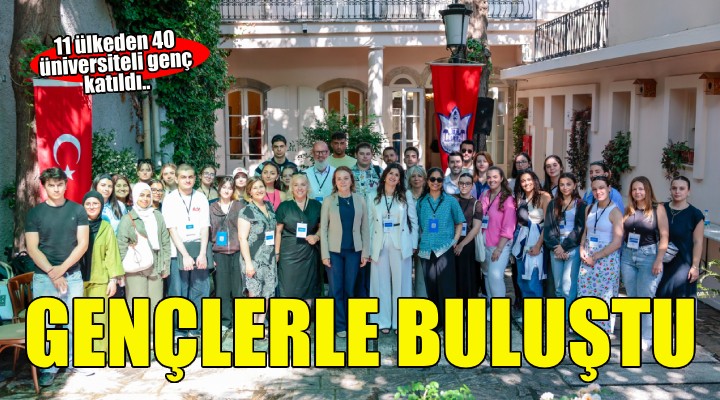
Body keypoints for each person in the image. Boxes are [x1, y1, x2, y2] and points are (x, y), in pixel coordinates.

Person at [25, 167, 91, 386]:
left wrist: (61, 269)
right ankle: (48, 367)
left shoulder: (78, 210)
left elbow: (82, 244)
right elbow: (32, 248)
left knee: (73, 321)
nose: (56, 189)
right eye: (51, 185)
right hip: (44, 278)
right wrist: (53, 273)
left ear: (66, 185)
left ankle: (74, 362)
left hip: (71, 276)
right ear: (44, 187)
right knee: (48, 323)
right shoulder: (35, 214)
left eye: (60, 184)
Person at [319, 167, 370, 337]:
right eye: (339, 178)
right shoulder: (329, 201)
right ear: (334, 182)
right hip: (334, 252)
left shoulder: (360, 200)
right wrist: (324, 254)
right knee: (336, 289)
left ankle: (351, 322)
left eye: (346, 178)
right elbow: (323, 229)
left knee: (350, 288)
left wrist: (365, 253)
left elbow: (365, 228)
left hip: (354, 252)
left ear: (351, 180)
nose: (342, 181)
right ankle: (339, 325)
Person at [162, 164, 211, 337]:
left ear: (195, 178)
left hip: (199, 247)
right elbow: (172, 229)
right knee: (178, 290)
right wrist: (185, 255)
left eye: (190, 177)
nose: (187, 180)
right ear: (176, 179)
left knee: (200, 289)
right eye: (183, 177)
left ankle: (196, 328)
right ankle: (179, 329)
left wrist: (203, 253)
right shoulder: (170, 199)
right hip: (178, 250)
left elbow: (205, 227)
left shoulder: (201, 198)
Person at [620, 176, 668, 351]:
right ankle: (635, 331)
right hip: (628, 256)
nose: (637, 192)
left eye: (640, 189)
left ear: (647, 190)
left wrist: (659, 260)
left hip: (649, 256)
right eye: (634, 189)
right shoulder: (629, 209)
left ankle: (647, 336)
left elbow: (664, 235)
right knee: (632, 297)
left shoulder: (657, 208)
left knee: (645, 297)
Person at [369, 164, 418, 333]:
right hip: (380, 241)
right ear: (384, 176)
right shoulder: (373, 196)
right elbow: (369, 223)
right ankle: (382, 321)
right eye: (390, 173)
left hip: (400, 241)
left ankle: (400, 321)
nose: (393, 177)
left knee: (402, 284)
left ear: (399, 179)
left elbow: (413, 220)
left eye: (397, 175)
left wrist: (413, 244)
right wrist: (369, 248)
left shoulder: (406, 195)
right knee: (379, 283)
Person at [117, 183, 171, 336]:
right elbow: (121, 246)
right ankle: (138, 338)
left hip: (156, 266)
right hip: (136, 267)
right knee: (137, 304)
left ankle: (154, 338)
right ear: (135, 196)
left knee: (156, 304)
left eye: (148, 195)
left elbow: (165, 241)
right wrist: (119, 272)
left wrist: (166, 265)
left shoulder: (157, 215)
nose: (145, 199)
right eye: (141, 195)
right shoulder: (128, 219)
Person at [416, 167, 465, 330]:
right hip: (426, 249)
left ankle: (449, 321)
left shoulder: (450, 201)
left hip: (445, 249)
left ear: (443, 182)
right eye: (432, 179)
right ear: (427, 181)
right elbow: (418, 224)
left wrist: (455, 241)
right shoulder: (421, 202)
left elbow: (459, 222)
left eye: (439, 179)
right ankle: (434, 320)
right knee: (431, 286)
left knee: (447, 286)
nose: (435, 182)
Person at [79, 191, 124, 360]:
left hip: (99, 278)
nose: (91, 207)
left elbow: (111, 254)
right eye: (88, 204)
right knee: (81, 317)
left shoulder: (106, 227)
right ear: (83, 206)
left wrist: (113, 279)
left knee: (99, 317)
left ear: (101, 206)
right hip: (77, 278)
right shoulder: (76, 225)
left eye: (95, 204)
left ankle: (99, 353)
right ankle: (83, 351)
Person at [578, 176, 623, 334]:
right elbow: (586, 232)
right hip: (588, 256)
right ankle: (586, 328)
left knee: (604, 296)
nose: (598, 192)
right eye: (595, 189)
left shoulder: (615, 212)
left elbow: (617, 242)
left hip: (606, 258)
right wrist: (581, 248)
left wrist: (595, 257)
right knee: (585, 292)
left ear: (609, 188)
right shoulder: (589, 208)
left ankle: (602, 332)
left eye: (602, 188)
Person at [239, 177, 278, 337]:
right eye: (255, 188)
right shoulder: (246, 211)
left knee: (267, 294)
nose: (259, 190)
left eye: (261, 186)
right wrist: (248, 264)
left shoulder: (269, 206)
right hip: (253, 259)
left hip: (269, 259)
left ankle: (260, 325)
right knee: (254, 295)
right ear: (249, 191)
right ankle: (252, 327)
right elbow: (242, 238)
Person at [543, 173, 587, 318]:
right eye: (562, 184)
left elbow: (580, 228)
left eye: (568, 184)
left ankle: (569, 319)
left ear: (574, 185)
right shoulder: (553, 204)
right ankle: (560, 318)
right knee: (558, 287)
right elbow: (548, 228)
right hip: (556, 247)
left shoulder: (581, 205)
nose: (565, 187)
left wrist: (565, 246)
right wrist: (557, 247)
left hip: (572, 248)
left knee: (568, 287)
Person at [275, 173, 322, 305]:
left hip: (309, 253)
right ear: (291, 188)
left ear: (308, 187)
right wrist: (277, 253)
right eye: (296, 185)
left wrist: (316, 236)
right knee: (288, 287)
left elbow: (322, 227)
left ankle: (305, 316)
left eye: (303, 184)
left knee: (308, 288)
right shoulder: (284, 206)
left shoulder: (316, 205)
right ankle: (288, 316)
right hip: (288, 253)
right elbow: (278, 232)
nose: (299, 188)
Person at [656, 176, 705, 299]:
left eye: (682, 188)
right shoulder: (661, 208)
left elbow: (698, 242)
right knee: (660, 302)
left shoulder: (695, 214)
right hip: (661, 263)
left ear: (688, 191)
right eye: (674, 188)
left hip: (683, 266)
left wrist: (695, 266)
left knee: (681, 303)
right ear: (670, 190)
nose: (677, 191)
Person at [209, 176, 246, 333]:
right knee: (222, 288)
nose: (226, 190)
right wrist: (210, 255)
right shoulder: (211, 207)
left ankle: (240, 319)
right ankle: (225, 320)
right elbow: (208, 232)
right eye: (224, 187)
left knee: (238, 288)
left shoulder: (239, 206)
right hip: (219, 252)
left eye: (230, 188)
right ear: (219, 188)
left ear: (233, 190)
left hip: (237, 251)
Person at [512, 170, 551, 300]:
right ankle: (527, 309)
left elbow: (548, 223)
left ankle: (536, 310)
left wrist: (538, 245)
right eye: (523, 181)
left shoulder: (544, 196)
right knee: (521, 279)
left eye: (529, 179)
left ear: (535, 180)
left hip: (536, 239)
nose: (526, 183)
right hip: (521, 240)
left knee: (533, 279)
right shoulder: (520, 198)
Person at [480, 166, 517, 305]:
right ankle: (492, 307)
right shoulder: (484, 195)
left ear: (501, 178)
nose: (491, 180)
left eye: (495, 177)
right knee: (487, 276)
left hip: (500, 245)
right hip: (484, 243)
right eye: (489, 177)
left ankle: (500, 311)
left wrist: (499, 249)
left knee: (495, 277)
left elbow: (508, 226)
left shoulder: (508, 199)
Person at [454, 172, 483, 299]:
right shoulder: (452, 199)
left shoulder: (477, 204)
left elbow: (476, 227)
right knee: (454, 276)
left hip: (467, 244)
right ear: (458, 184)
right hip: (451, 243)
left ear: (472, 186)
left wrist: (461, 245)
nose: (464, 186)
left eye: (467, 183)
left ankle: (469, 305)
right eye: (461, 183)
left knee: (468, 277)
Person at [406, 165, 428, 297]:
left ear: (424, 179)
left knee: (421, 276)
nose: (416, 179)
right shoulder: (403, 195)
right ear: (409, 179)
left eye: (419, 176)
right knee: (405, 274)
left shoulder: (428, 197)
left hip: (424, 239)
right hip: (406, 238)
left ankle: (421, 302)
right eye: (413, 176)